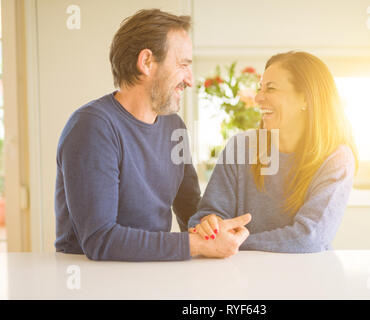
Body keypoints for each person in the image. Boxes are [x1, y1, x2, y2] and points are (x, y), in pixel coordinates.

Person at [54, 9, 251, 261]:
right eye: (183, 65)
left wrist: (208, 225)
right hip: (94, 277)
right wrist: (196, 245)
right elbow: (100, 240)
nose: (190, 80)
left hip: (151, 269)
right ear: (146, 62)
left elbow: (189, 205)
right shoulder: (92, 127)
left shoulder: (174, 126)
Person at [188, 51, 358, 253]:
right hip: (241, 277)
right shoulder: (240, 147)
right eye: (260, 88)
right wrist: (210, 223)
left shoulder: (336, 160)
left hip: (307, 277)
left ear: (305, 98)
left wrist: (233, 243)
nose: (258, 97)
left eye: (271, 88)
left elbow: (308, 237)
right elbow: (206, 217)